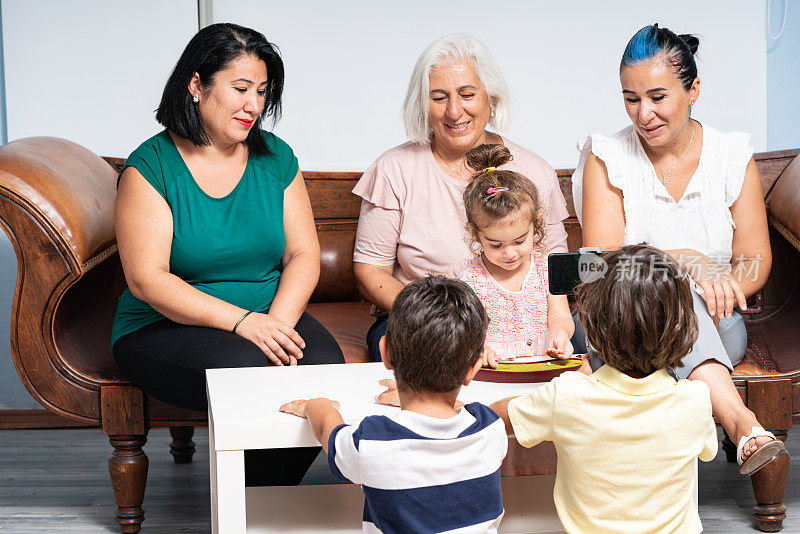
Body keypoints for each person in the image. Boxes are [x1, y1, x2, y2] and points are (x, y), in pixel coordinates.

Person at [112, 23, 344, 485]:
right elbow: (147, 280)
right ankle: (248, 506)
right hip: (164, 323)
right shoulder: (151, 167)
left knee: (324, 370)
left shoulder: (276, 157)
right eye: (240, 88)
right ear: (196, 85)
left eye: (261, 91)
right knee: (252, 371)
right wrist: (244, 323)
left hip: (267, 313)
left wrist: (275, 323)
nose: (253, 105)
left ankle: (259, 501)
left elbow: (303, 255)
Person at [572, 23, 785, 474]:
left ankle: (640, 472)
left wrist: (725, 286)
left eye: (657, 97)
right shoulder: (605, 156)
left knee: (686, 299)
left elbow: (754, 259)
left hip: (713, 318)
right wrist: (680, 261)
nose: (643, 113)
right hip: (620, 325)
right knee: (673, 288)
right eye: (631, 99)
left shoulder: (730, 157)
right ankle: (743, 425)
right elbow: (595, 269)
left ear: (693, 90)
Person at [353, 33, 571, 366]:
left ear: (490, 98)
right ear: (423, 105)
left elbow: (556, 264)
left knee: (581, 350)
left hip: (529, 319)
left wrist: (558, 323)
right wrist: (438, 316)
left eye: (467, 94)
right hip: (424, 318)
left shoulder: (535, 170)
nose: (455, 111)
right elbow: (370, 271)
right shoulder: (393, 169)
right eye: (439, 97)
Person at [491, 245, 718, 533]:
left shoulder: (567, 395)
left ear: (590, 326)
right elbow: (707, 452)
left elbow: (495, 417)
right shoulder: (695, 399)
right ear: (683, 325)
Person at [280, 276, 507, 533]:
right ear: (473, 369)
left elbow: (328, 433)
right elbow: (460, 415)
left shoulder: (372, 441)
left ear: (385, 352)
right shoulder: (490, 428)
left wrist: (317, 406)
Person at [458, 143, 574, 361]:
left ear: (536, 224)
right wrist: (477, 350)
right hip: (494, 373)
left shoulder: (547, 271)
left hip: (542, 368)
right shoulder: (471, 281)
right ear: (475, 234)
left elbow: (561, 316)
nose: (509, 253)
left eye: (519, 241)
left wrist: (560, 334)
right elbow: (463, 333)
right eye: (495, 245)